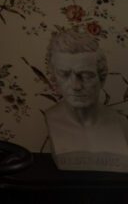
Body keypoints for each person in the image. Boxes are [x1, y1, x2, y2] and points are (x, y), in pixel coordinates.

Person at [44, 30, 128, 172]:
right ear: (54, 79)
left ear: (102, 79)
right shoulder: (52, 119)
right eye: (64, 75)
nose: (76, 86)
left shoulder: (120, 122)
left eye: (86, 75)